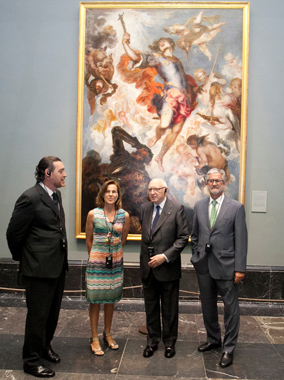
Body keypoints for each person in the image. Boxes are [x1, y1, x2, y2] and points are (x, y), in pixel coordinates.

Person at [6, 156, 68, 378]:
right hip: (38, 269)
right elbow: (13, 233)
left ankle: (44, 347)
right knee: (38, 316)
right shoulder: (30, 197)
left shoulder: (56, 195)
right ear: (47, 173)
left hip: (57, 266)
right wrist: (26, 259)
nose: (65, 174)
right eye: (61, 170)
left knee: (52, 314)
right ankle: (31, 361)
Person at [190, 168, 247, 368]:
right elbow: (195, 235)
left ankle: (229, 348)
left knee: (231, 309)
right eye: (211, 181)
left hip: (228, 267)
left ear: (224, 183)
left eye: (218, 181)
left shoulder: (236, 208)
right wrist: (196, 256)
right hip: (204, 265)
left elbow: (241, 240)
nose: (214, 184)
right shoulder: (198, 206)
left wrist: (240, 268)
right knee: (207, 306)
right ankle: (214, 340)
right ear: (206, 183)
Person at [121, 33, 198, 172]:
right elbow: (136, 57)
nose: (161, 43)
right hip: (171, 94)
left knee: (176, 130)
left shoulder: (177, 60)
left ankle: (160, 156)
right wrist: (125, 43)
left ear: (171, 43)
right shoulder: (157, 57)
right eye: (160, 42)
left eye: (164, 41)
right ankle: (157, 136)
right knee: (164, 124)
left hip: (184, 98)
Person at [140, 178, 188, 359]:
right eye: (150, 189)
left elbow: (183, 238)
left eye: (156, 189)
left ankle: (169, 343)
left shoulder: (176, 209)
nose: (152, 192)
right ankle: (152, 342)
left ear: (165, 190)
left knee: (169, 309)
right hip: (148, 268)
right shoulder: (145, 208)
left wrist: (164, 256)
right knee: (150, 307)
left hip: (167, 268)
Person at [85, 180, 130, 356]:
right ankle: (94, 337)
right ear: (102, 194)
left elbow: (123, 239)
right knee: (95, 300)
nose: (111, 194)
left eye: (114, 191)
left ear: (118, 195)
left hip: (115, 263)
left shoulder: (124, 215)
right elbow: (89, 239)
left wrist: (113, 252)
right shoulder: (93, 214)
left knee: (110, 300)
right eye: (108, 191)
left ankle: (108, 334)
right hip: (97, 263)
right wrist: (96, 256)